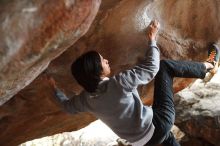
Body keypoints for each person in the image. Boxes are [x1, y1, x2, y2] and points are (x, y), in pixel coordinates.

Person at [48, 20, 220, 146]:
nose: (106, 60)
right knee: (165, 67)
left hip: (142, 142)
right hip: (159, 124)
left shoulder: (85, 99)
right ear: (96, 71)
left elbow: (67, 106)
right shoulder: (118, 83)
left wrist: (54, 89)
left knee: (166, 139)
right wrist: (152, 39)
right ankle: (209, 66)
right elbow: (153, 67)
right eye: (102, 61)